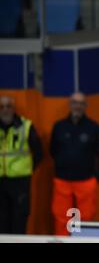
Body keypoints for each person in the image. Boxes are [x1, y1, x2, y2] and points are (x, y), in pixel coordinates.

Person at [50, 92, 99, 236]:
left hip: (86, 182)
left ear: (86, 106)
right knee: (61, 218)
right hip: (62, 181)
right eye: (74, 103)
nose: (77, 106)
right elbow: (53, 150)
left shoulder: (94, 128)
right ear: (70, 104)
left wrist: (97, 178)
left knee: (86, 218)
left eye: (81, 103)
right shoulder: (59, 127)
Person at [0, 95, 43, 234]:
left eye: (8, 106)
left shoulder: (26, 126)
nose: (5, 110)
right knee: (2, 220)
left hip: (20, 182)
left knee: (20, 220)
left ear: (13, 108)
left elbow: (38, 153)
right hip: (0, 181)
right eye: (2, 107)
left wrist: (27, 169)